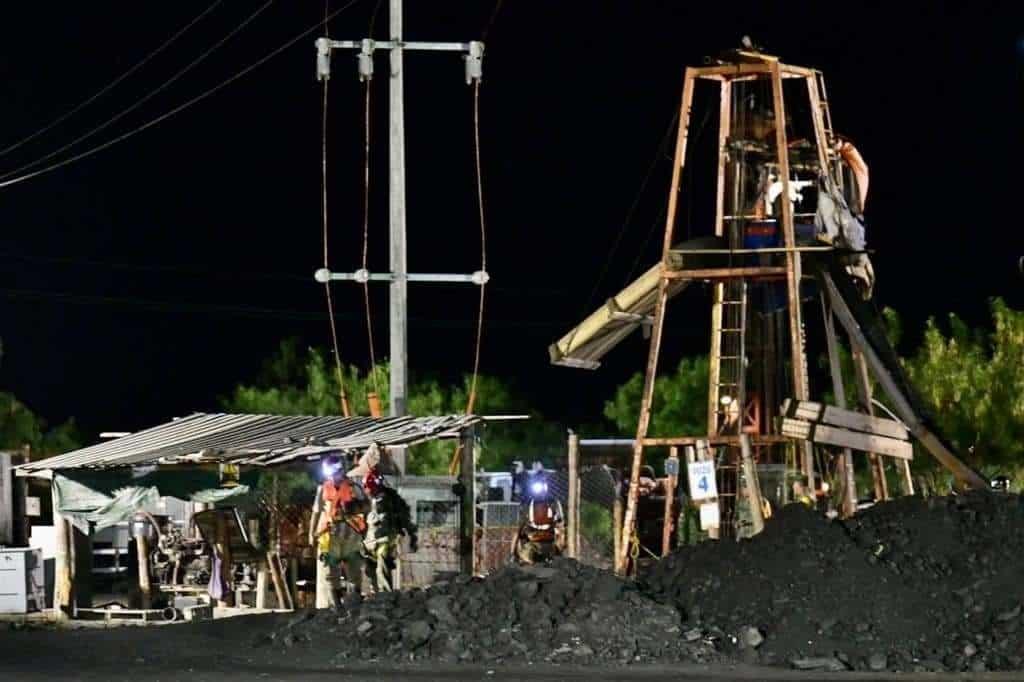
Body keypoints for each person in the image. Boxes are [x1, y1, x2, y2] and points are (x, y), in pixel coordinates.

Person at [308, 454, 368, 607]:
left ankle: (354, 602)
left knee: (353, 569)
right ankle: (336, 606)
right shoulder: (323, 489)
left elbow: (367, 506)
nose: (334, 476)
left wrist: (355, 507)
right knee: (330, 572)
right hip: (329, 534)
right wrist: (311, 534)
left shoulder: (353, 487)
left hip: (350, 532)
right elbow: (316, 512)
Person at [361, 465, 418, 593]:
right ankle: (376, 597)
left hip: (384, 542)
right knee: (370, 571)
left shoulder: (391, 500)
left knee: (382, 571)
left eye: (368, 488)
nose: (367, 491)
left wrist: (412, 536)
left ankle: (385, 597)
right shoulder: (369, 501)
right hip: (370, 543)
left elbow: (405, 517)